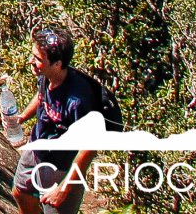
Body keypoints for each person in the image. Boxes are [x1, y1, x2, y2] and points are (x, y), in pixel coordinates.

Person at [9, 26, 121, 214]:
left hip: (62, 166)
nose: (31, 62)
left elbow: (89, 148)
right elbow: (42, 95)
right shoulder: (47, 75)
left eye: (37, 59)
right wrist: (22, 117)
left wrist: (64, 188)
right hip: (37, 148)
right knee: (21, 193)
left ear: (57, 64)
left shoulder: (77, 101)